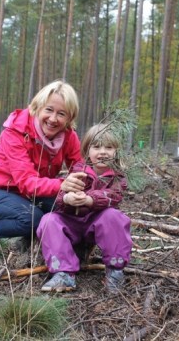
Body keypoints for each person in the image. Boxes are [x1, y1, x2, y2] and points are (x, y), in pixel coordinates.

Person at [0, 80, 87, 268]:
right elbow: (27, 182)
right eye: (49, 110)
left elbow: (80, 167)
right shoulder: (16, 132)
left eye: (61, 114)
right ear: (37, 107)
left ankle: (31, 241)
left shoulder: (68, 136)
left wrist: (85, 189)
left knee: (65, 206)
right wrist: (62, 185)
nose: (53, 119)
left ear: (69, 118)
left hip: (27, 195)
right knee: (33, 218)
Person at [37, 123, 132, 293]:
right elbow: (61, 195)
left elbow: (114, 196)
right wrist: (67, 197)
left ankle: (115, 270)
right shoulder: (78, 170)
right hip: (72, 221)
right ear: (87, 151)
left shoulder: (118, 177)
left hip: (96, 224)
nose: (102, 152)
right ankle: (63, 272)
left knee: (114, 216)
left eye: (109, 147)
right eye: (96, 147)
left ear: (116, 151)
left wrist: (89, 199)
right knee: (49, 220)